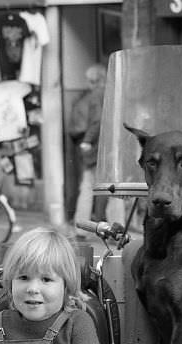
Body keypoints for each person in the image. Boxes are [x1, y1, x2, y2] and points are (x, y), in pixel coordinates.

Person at [69, 64, 109, 235]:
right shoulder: (110, 93)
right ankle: (116, 227)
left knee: (87, 187)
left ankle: (82, 228)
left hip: (96, 148)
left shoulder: (94, 96)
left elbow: (96, 121)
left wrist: (87, 140)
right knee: (113, 189)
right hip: (108, 148)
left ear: (94, 80)